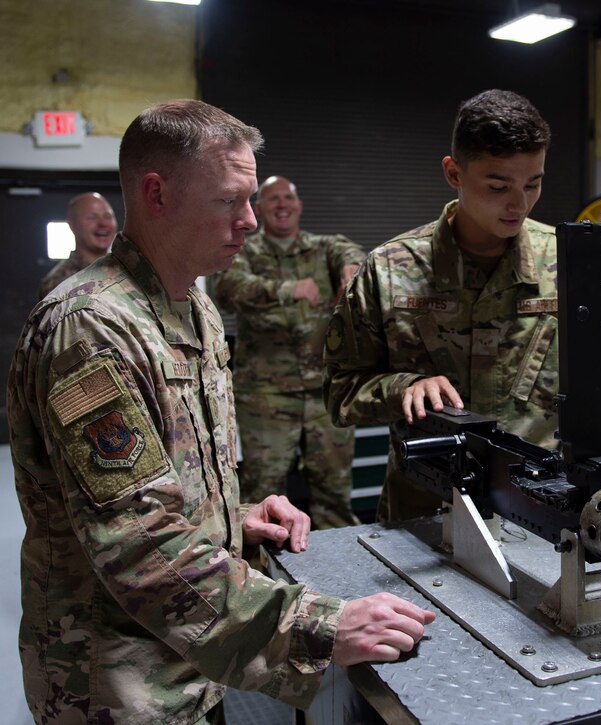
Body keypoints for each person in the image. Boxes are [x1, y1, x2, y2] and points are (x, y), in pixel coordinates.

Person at [7, 99, 434, 724]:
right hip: (117, 685)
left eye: (251, 199)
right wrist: (315, 627)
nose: (250, 220)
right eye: (229, 200)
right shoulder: (91, 328)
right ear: (157, 194)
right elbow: (135, 542)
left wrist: (228, 517)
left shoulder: (194, 309)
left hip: (192, 661)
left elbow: (153, 484)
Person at [324, 89, 601, 523]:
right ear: (454, 173)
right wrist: (402, 387)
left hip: (542, 511)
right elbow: (340, 392)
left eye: (533, 183)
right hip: (425, 510)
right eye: (498, 186)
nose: (519, 203)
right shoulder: (390, 269)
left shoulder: (569, 263)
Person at [215, 176, 364, 529]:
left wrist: (352, 268)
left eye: (288, 198)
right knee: (262, 494)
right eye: (272, 199)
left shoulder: (323, 247)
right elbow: (228, 288)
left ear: (299, 205)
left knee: (334, 494)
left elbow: (350, 251)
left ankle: (340, 561)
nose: (282, 205)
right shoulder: (244, 251)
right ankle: (263, 560)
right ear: (259, 208)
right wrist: (287, 289)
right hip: (266, 399)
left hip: (324, 396)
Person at [39, 191, 117, 298]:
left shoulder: (122, 270)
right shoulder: (60, 283)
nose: (103, 223)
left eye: (108, 216)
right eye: (92, 217)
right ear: (72, 225)